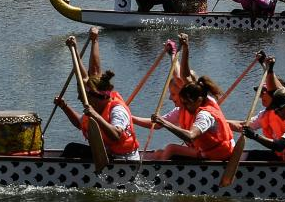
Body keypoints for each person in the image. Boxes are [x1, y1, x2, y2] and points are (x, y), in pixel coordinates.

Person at [54, 30, 140, 161]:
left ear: (98, 97)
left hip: (122, 160)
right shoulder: (97, 105)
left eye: (88, 98)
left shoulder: (117, 110)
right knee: (72, 148)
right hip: (106, 155)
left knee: (72, 150)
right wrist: (64, 106)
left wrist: (95, 116)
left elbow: (116, 135)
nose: (84, 100)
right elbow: (80, 123)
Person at [147, 77, 234, 161]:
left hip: (216, 155)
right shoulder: (196, 103)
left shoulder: (205, 115)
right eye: (184, 103)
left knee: (171, 148)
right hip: (207, 152)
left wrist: (164, 123)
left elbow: (191, 136)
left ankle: (159, 172)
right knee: (159, 153)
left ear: (199, 100)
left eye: (187, 104)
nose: (185, 108)